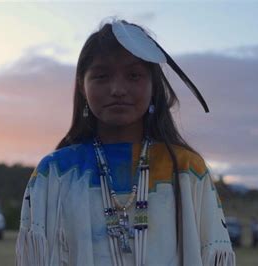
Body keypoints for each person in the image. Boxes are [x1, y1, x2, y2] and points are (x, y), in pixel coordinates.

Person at [15, 19, 235, 266]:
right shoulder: (55, 172)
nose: (118, 89)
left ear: (153, 85)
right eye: (101, 76)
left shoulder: (187, 170)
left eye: (133, 75)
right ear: (81, 85)